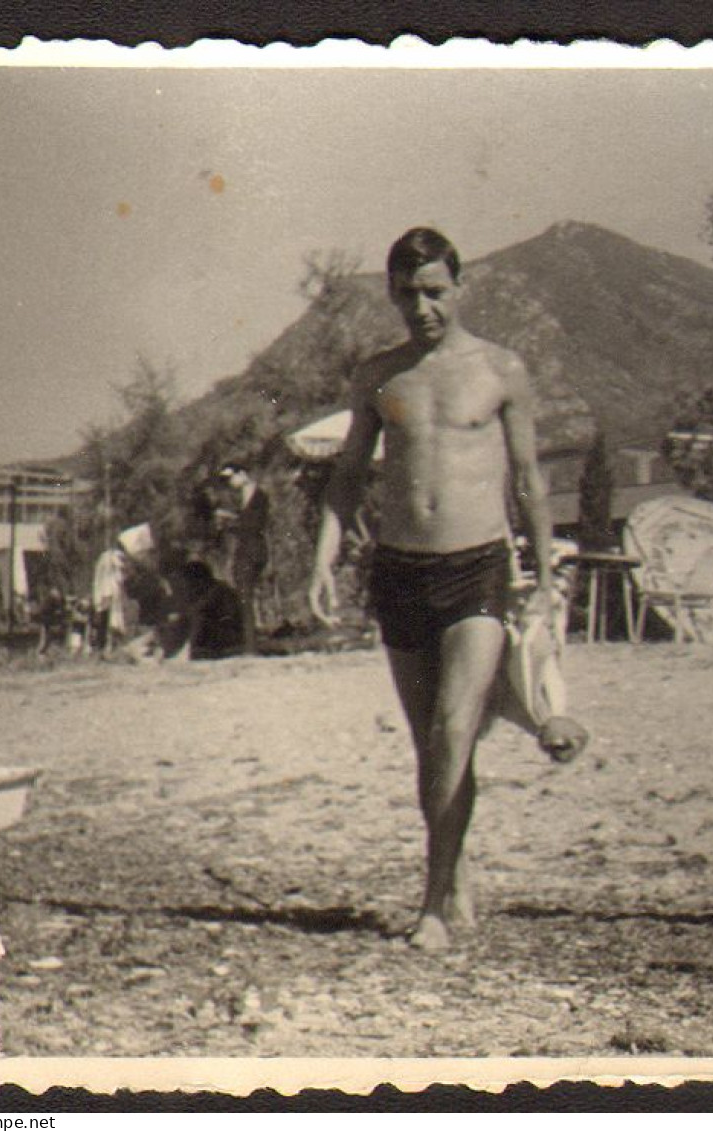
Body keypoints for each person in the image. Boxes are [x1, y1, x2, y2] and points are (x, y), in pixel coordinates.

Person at [308, 225, 555, 951]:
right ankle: (458, 870)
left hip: (478, 565)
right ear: (391, 293)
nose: (423, 308)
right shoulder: (379, 377)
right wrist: (323, 556)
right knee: (433, 747)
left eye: (437, 292)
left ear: (461, 287)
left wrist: (543, 573)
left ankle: (434, 905)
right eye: (408, 294)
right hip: (400, 569)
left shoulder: (502, 370)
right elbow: (348, 473)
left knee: (454, 728)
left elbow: (532, 479)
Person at [216, 462, 271, 654]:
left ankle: (251, 647)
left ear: (243, 473)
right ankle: (251, 644)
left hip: (251, 550)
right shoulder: (250, 496)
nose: (229, 483)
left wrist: (228, 524)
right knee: (246, 597)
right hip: (254, 548)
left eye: (230, 477)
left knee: (245, 598)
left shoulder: (257, 496)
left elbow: (251, 525)